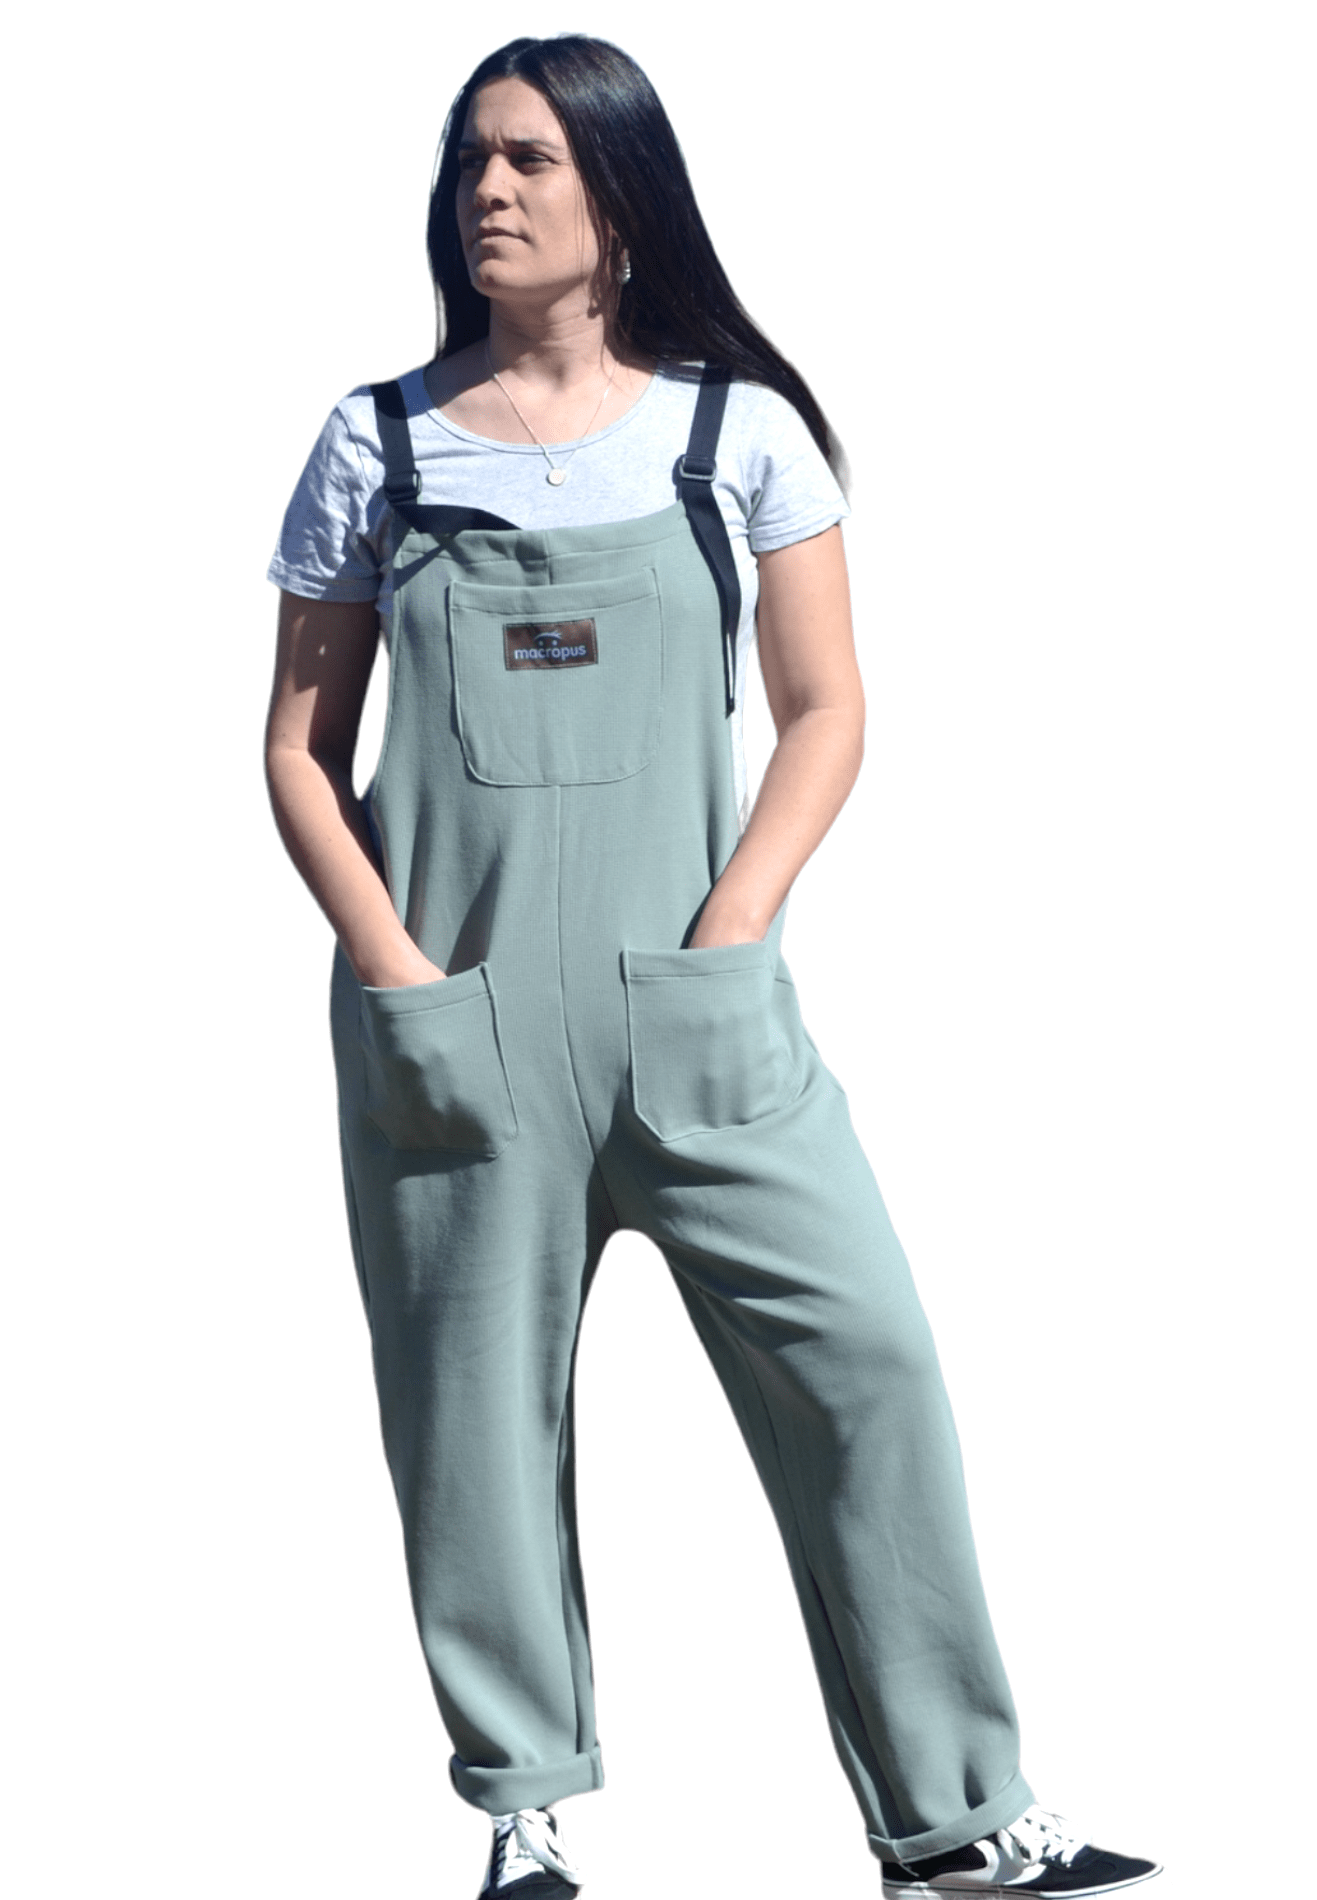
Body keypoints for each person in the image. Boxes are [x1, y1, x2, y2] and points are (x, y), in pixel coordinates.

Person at [264, 34, 1161, 1900]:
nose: (487, 191)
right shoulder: (378, 442)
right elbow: (295, 749)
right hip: (456, 1021)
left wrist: (733, 929)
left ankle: (957, 1820)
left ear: (621, 192)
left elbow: (829, 708)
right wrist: (398, 970)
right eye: (470, 160)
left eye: (529, 159)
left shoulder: (733, 432)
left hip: (701, 1009)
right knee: (471, 1430)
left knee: (869, 1364)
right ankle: (522, 1819)